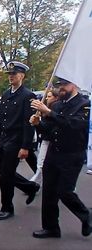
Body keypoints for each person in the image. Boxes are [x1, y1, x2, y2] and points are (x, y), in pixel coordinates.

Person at [30, 77, 92, 238]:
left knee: (65, 191)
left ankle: (87, 216)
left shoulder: (84, 105)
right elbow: (50, 131)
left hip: (72, 154)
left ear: (74, 84)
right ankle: (51, 228)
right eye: (59, 85)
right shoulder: (58, 105)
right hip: (54, 152)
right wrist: (38, 124)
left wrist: (49, 112)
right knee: (49, 192)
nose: (61, 88)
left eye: (64, 85)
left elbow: (74, 125)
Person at [0, 61, 40, 221]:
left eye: (14, 74)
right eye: (10, 74)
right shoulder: (6, 94)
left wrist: (25, 146)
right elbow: (0, 118)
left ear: (22, 76)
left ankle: (7, 207)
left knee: (6, 176)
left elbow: (29, 122)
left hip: (16, 139)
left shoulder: (27, 95)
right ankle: (30, 186)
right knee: (3, 172)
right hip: (4, 138)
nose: (11, 76)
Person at [29, 88, 59, 185]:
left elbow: (51, 127)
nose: (46, 98)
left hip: (53, 141)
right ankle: (38, 183)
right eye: (46, 96)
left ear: (56, 98)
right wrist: (37, 123)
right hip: (45, 139)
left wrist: (40, 123)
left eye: (49, 96)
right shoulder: (45, 108)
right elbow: (43, 128)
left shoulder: (55, 110)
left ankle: (34, 184)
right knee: (41, 163)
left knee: (42, 164)